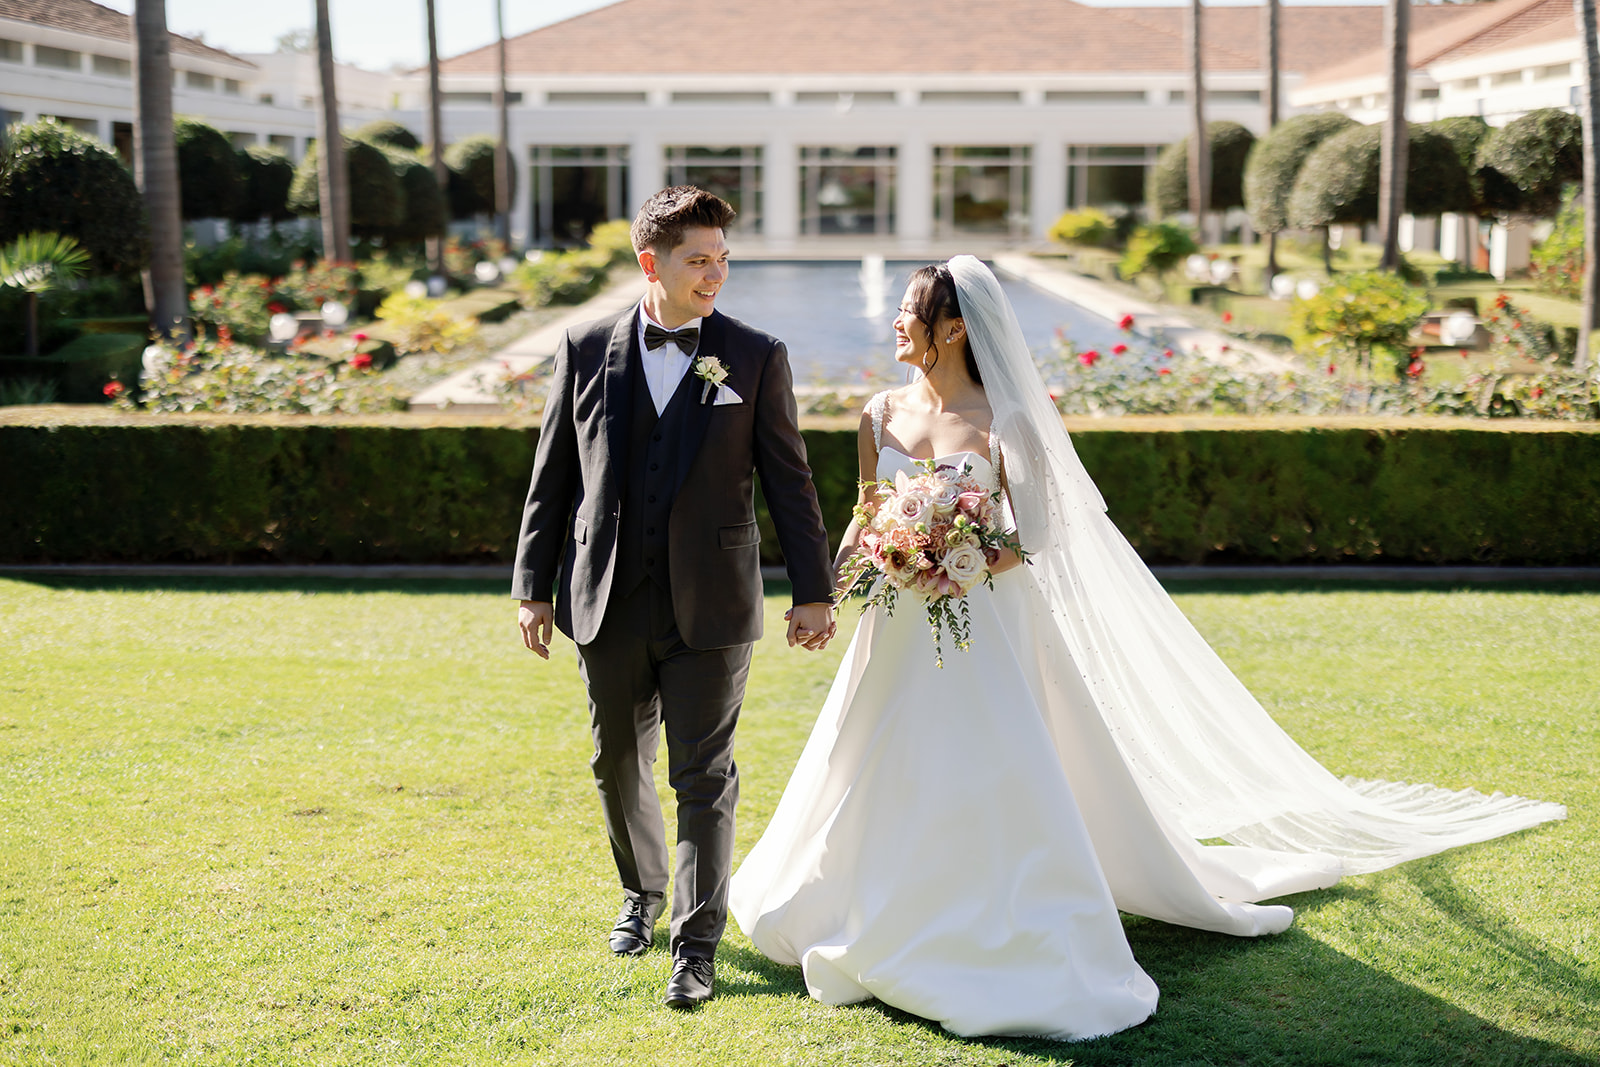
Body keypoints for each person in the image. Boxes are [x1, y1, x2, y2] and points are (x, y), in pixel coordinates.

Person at [729, 256, 1566, 1040]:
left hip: (986, 620)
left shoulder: (1007, 418)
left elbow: (1038, 536)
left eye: (910, 316)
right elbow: (867, 511)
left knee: (990, 762)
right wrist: (830, 590)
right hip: (899, 625)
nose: (897, 330)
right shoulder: (879, 412)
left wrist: (957, 562)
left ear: (952, 328)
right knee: (871, 757)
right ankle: (863, 899)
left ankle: (992, 909)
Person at [513, 186, 837, 1010]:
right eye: (700, 258)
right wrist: (532, 587)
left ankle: (696, 946)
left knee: (705, 774)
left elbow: (790, 483)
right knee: (616, 761)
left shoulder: (755, 353)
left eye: (724, 258)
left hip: (715, 605)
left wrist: (813, 590)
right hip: (606, 598)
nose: (716, 273)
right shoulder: (584, 346)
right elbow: (554, 475)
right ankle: (641, 893)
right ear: (650, 262)